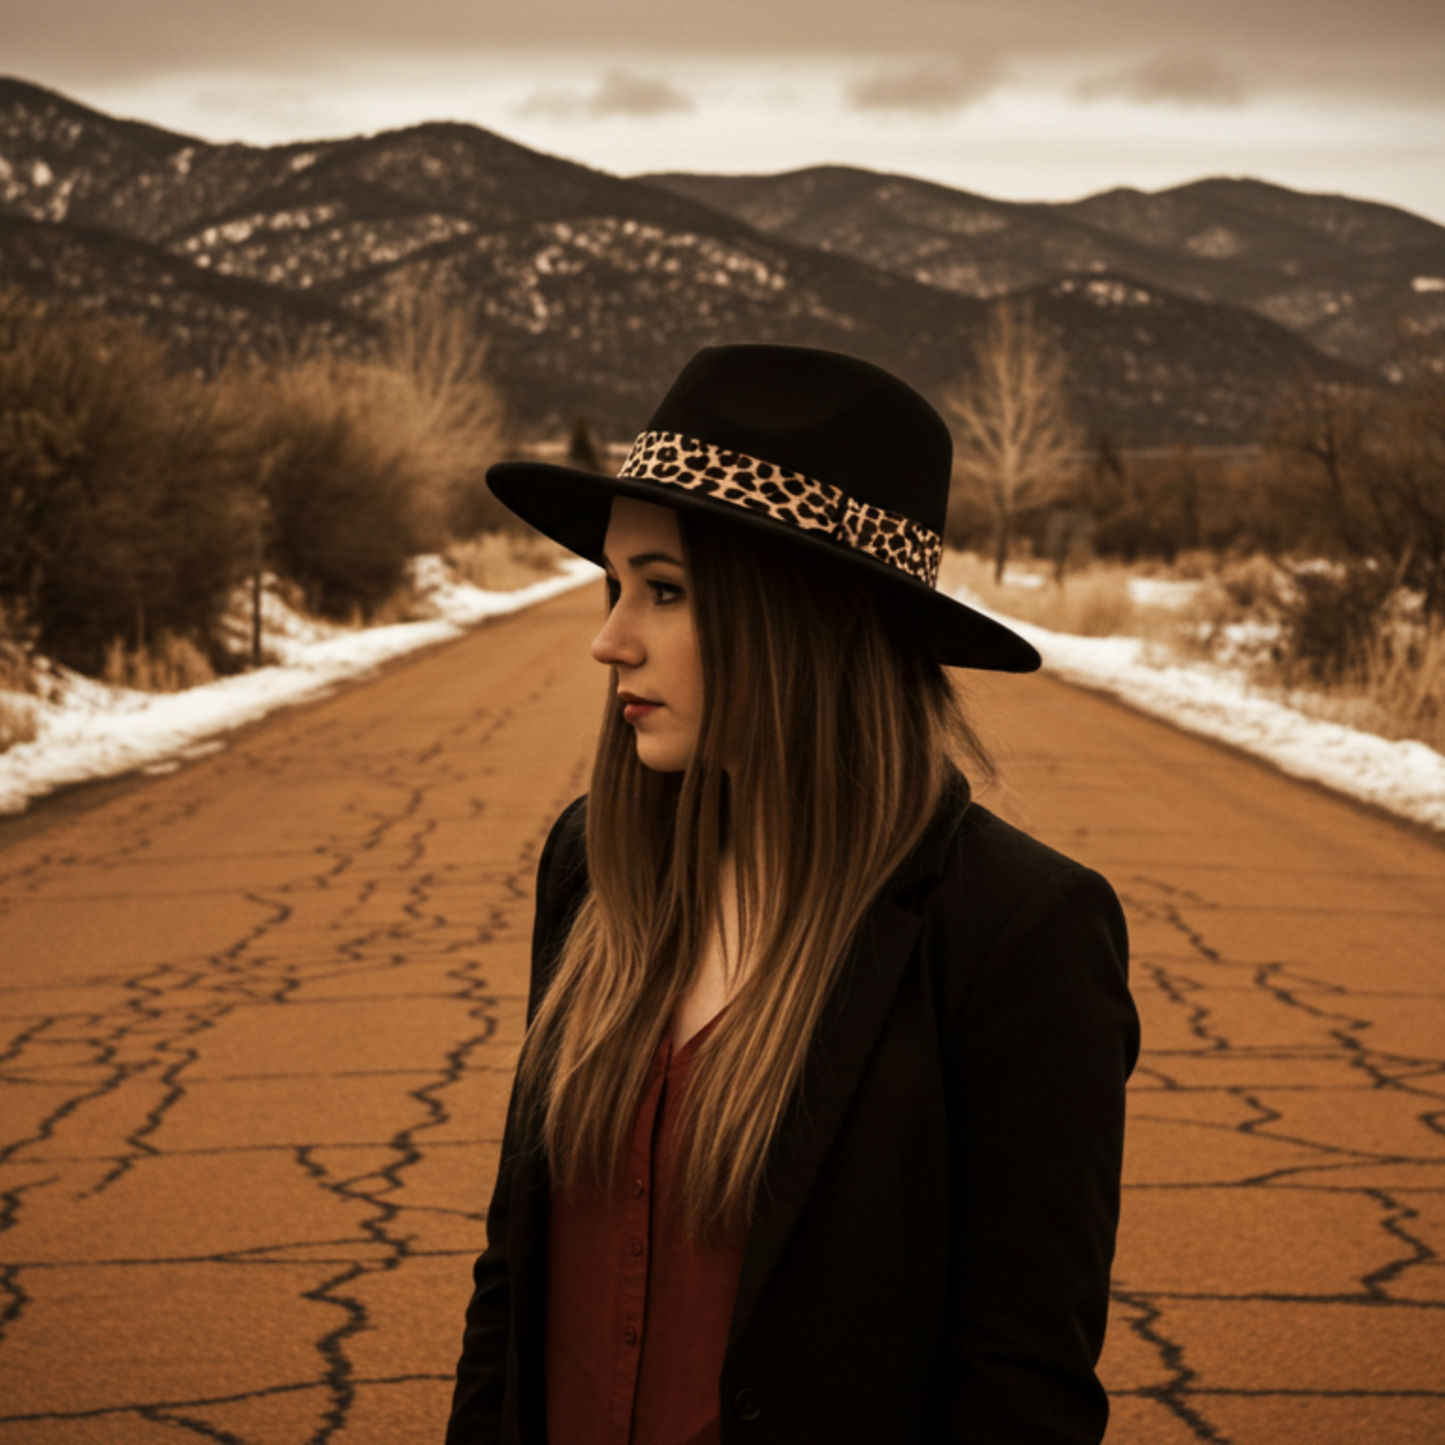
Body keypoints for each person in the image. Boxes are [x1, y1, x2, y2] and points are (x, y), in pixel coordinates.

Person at [447, 344, 1140, 1444]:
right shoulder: (594, 865)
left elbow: (1021, 1391)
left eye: (664, 590)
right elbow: (513, 1273)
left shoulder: (1013, 934)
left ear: (802, 616)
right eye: (614, 585)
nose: (608, 640)